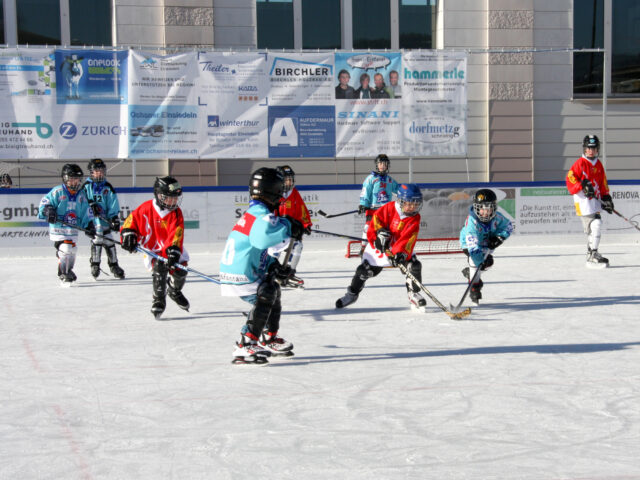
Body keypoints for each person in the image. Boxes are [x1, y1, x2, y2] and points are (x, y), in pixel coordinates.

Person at [219, 167, 304, 365]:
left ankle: (269, 337)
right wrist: (289, 226)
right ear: (273, 191)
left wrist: (273, 265)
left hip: (242, 268)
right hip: (240, 273)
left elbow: (258, 248)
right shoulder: (260, 215)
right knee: (266, 294)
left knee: (272, 290)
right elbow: (264, 237)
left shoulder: (256, 212)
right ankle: (245, 343)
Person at [336, 183, 426, 311]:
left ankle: (414, 293)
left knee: (415, 266)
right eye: (409, 203)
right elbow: (375, 223)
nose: (413, 207)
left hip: (398, 248)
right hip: (379, 247)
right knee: (364, 270)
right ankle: (352, 294)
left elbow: (409, 238)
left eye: (416, 204)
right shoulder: (388, 208)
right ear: (400, 201)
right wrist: (378, 237)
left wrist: (400, 254)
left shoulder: (415, 217)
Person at [119, 176, 190, 319]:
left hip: (169, 247)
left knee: (181, 270)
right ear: (159, 196)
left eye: (176, 198)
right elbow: (129, 223)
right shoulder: (145, 208)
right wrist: (128, 235)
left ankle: (174, 290)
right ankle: (158, 299)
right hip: (151, 249)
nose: (174, 201)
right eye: (170, 198)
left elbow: (177, 232)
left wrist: (173, 250)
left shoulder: (176, 213)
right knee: (160, 266)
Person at [38, 164, 94, 284]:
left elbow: (85, 212)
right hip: (58, 229)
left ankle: (69, 269)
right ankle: (63, 272)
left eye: (77, 179)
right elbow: (45, 203)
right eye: (72, 178)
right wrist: (48, 210)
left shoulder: (81, 195)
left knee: (73, 249)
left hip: (72, 230)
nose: (75, 182)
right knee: (66, 248)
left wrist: (89, 225)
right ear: (65, 178)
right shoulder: (58, 191)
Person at [566, 134, 614, 268]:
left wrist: (606, 197)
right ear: (584, 149)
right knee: (595, 225)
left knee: (596, 227)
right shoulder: (579, 163)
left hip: (596, 201)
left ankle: (592, 253)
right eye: (588, 148)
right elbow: (570, 180)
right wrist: (582, 185)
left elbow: (602, 182)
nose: (591, 151)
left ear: (597, 149)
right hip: (584, 202)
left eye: (593, 148)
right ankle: (592, 254)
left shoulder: (598, 164)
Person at [459, 189, 513, 303]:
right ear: (476, 208)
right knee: (475, 262)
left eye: (488, 209)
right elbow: (473, 249)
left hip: (486, 242)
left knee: (488, 263)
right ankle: (474, 287)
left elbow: (508, 226)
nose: (485, 212)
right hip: (468, 244)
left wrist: (499, 238)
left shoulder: (497, 217)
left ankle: (471, 273)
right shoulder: (472, 222)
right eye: (482, 209)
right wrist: (478, 260)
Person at [82, 158, 125, 280]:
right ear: (91, 172)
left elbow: (113, 203)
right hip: (93, 222)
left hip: (104, 220)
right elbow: (81, 200)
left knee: (109, 241)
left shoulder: (107, 187)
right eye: (96, 171)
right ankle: (95, 264)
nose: (99, 173)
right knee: (97, 239)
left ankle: (114, 265)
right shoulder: (86, 186)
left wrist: (114, 218)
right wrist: (90, 204)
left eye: (101, 170)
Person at [276, 165, 312, 288]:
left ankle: (290, 273)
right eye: (287, 179)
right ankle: (272, 275)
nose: (289, 182)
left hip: (291, 232)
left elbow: (302, 210)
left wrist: (306, 224)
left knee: (298, 246)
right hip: (276, 232)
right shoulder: (275, 193)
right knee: (274, 252)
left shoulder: (294, 193)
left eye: (291, 179)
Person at [358, 154, 399, 251]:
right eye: (380, 163)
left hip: (386, 210)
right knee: (368, 227)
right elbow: (365, 192)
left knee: (388, 229)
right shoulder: (371, 179)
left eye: (384, 163)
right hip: (373, 209)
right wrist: (363, 204)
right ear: (377, 165)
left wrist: (406, 196)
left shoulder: (390, 180)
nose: (382, 166)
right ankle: (363, 248)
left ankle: (389, 247)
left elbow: (398, 191)